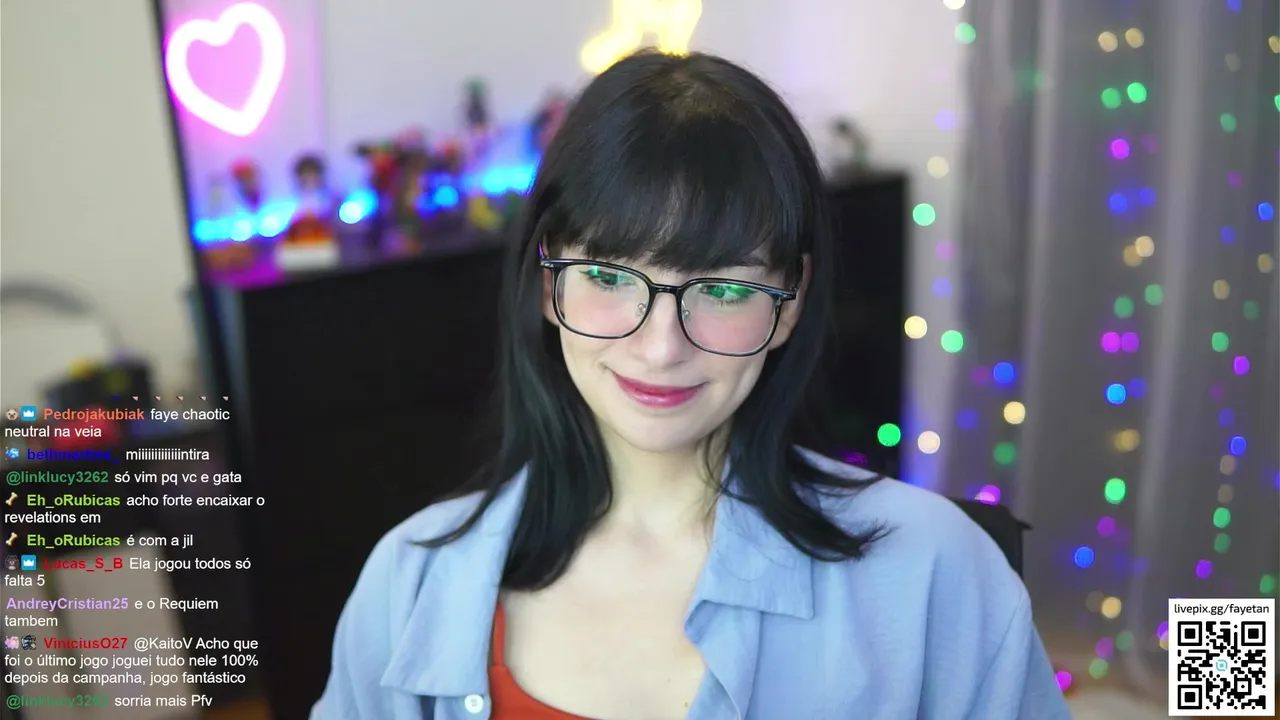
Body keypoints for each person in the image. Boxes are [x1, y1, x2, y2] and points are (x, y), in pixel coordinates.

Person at [312, 50, 1070, 720]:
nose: (660, 347)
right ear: (547, 282)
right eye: (610, 277)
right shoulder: (409, 580)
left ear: (790, 302)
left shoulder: (936, 574)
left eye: (726, 289)